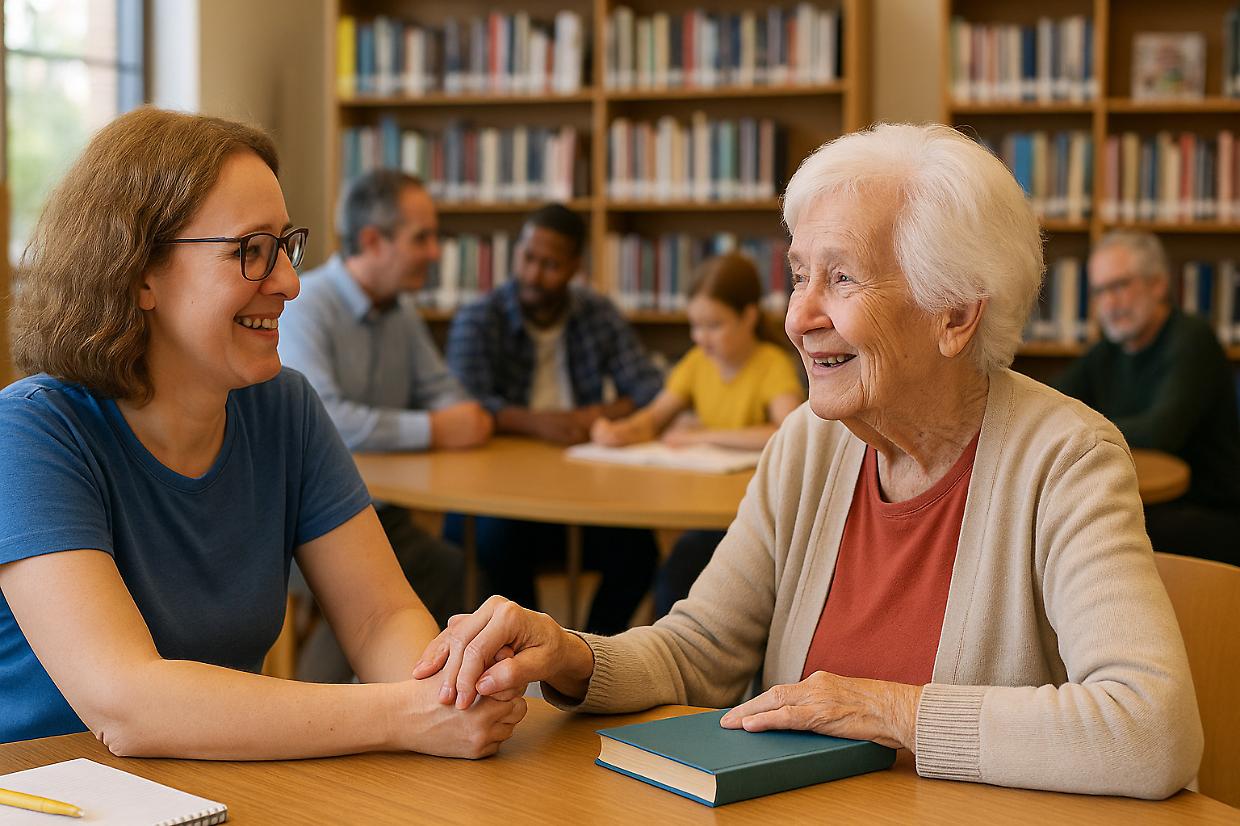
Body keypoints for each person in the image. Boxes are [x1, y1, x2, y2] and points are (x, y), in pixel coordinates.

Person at [413, 124, 1203, 799]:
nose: (796, 317)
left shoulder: (1067, 459)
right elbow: (702, 652)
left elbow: (1150, 727)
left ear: (955, 314)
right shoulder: (808, 444)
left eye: (841, 278)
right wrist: (573, 654)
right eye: (798, 275)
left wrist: (891, 712)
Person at [0, 108, 525, 755]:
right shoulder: (32, 430)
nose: (289, 283)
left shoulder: (283, 408)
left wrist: (452, 691)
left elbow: (380, 616)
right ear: (140, 275)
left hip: (230, 787)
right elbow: (126, 703)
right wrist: (407, 714)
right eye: (250, 251)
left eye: (285, 246)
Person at [278, 170, 493, 681]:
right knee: (380, 585)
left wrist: (458, 417)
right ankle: (320, 709)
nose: (435, 252)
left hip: (379, 512)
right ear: (373, 241)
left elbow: (445, 393)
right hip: (302, 523)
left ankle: (432, 695)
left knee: (457, 574)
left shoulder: (401, 313)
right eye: (422, 238)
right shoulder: (305, 305)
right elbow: (328, 419)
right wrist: (437, 430)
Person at [443, 204, 662, 635]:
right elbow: (465, 405)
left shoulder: (596, 312)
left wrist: (594, 415)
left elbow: (650, 387)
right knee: (497, 543)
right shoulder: (479, 318)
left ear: (574, 268)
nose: (533, 274)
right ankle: (522, 656)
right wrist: (541, 424)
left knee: (639, 551)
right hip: (497, 490)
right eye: (527, 258)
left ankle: (593, 654)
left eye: (550, 265)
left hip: (578, 486)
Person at [590, 252, 804, 616]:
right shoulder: (696, 362)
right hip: (700, 503)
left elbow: (789, 429)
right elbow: (654, 418)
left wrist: (702, 435)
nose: (700, 338)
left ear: (748, 316)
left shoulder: (772, 365)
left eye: (713, 325)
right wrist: (616, 431)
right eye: (695, 325)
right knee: (661, 561)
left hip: (747, 513)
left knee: (682, 566)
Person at [1055, 231, 1240, 566]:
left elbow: (1160, 433)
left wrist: (1089, 423)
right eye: (1099, 291)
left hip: (1207, 510)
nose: (1108, 304)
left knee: (1097, 530)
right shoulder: (1111, 349)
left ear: (1158, 284)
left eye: (1120, 286)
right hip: (1144, 499)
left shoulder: (1191, 340)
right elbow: (1052, 400)